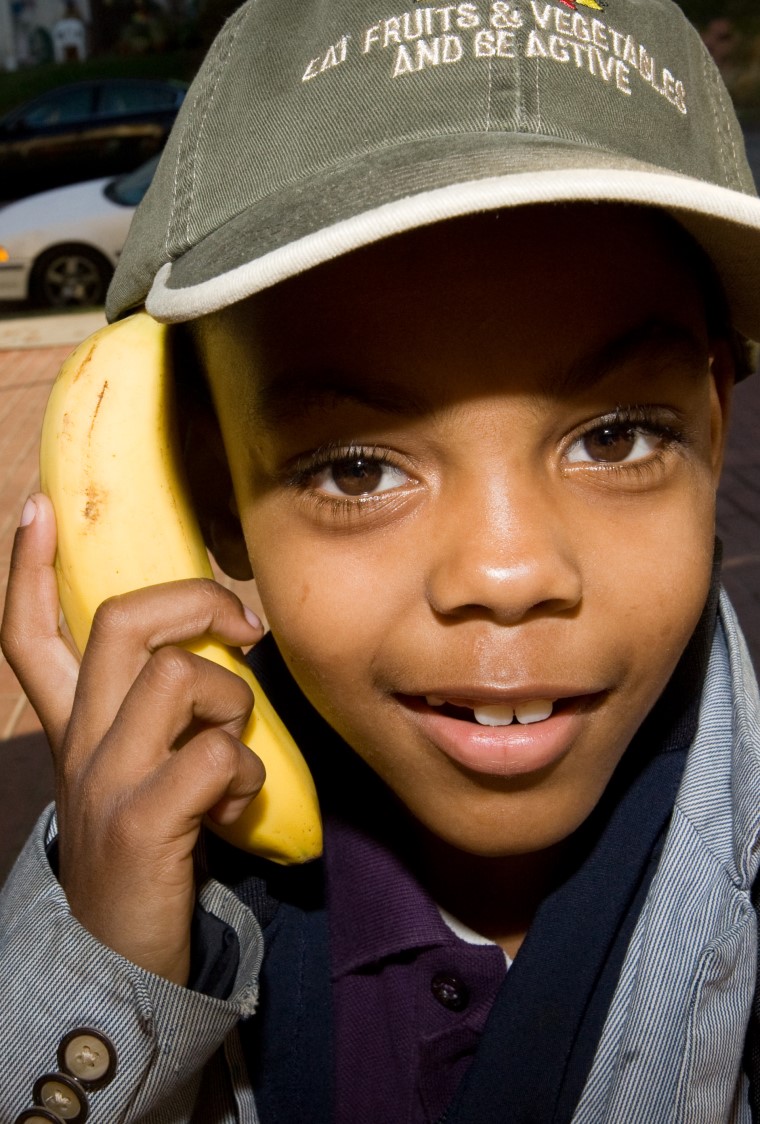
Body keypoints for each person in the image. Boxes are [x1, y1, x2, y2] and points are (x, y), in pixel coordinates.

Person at [3, 0, 760, 1120]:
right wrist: (110, 980)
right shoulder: (136, 905)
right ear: (208, 486)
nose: (507, 571)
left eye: (615, 435)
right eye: (355, 469)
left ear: (713, 421)